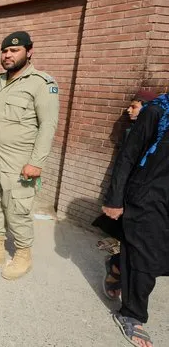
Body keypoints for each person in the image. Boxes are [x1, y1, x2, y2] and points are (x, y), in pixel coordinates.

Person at [0, 31, 59, 280]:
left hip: (19, 163)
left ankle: (22, 255)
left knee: (18, 210)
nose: (8, 55)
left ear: (29, 52)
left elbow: (48, 125)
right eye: (5, 51)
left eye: (14, 50)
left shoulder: (41, 84)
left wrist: (36, 162)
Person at [102, 93, 168, 347]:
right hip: (147, 197)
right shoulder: (156, 112)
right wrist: (115, 198)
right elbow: (128, 156)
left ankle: (118, 264)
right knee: (145, 257)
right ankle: (131, 314)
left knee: (158, 259)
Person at [94, 89, 158, 301]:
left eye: (134, 106)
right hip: (135, 196)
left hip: (155, 198)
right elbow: (124, 165)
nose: (127, 110)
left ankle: (117, 264)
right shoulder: (133, 132)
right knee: (139, 247)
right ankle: (119, 271)